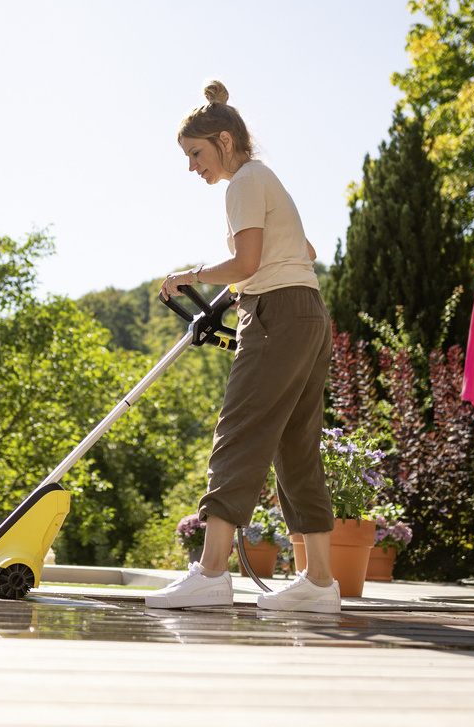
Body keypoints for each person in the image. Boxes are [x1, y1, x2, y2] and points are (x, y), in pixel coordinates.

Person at [145, 81, 339, 613]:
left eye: (196, 154)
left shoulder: (243, 183)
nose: (192, 168)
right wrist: (241, 291)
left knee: (240, 432)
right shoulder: (265, 179)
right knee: (296, 448)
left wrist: (191, 277)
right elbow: (305, 250)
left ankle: (210, 574)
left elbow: (248, 265)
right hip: (307, 313)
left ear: (224, 140)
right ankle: (320, 583)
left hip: (277, 315)